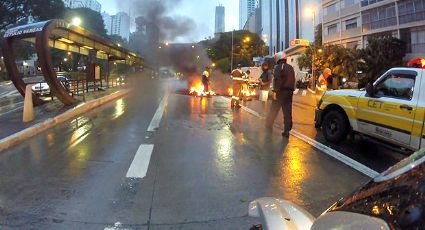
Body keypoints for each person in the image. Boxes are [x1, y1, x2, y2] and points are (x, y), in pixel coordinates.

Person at [265, 52, 295, 137]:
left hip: (281, 91)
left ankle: (269, 124)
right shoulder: (290, 67)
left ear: (278, 58)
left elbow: (277, 79)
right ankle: (287, 131)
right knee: (287, 112)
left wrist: (275, 91)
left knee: (274, 109)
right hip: (290, 92)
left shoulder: (278, 67)